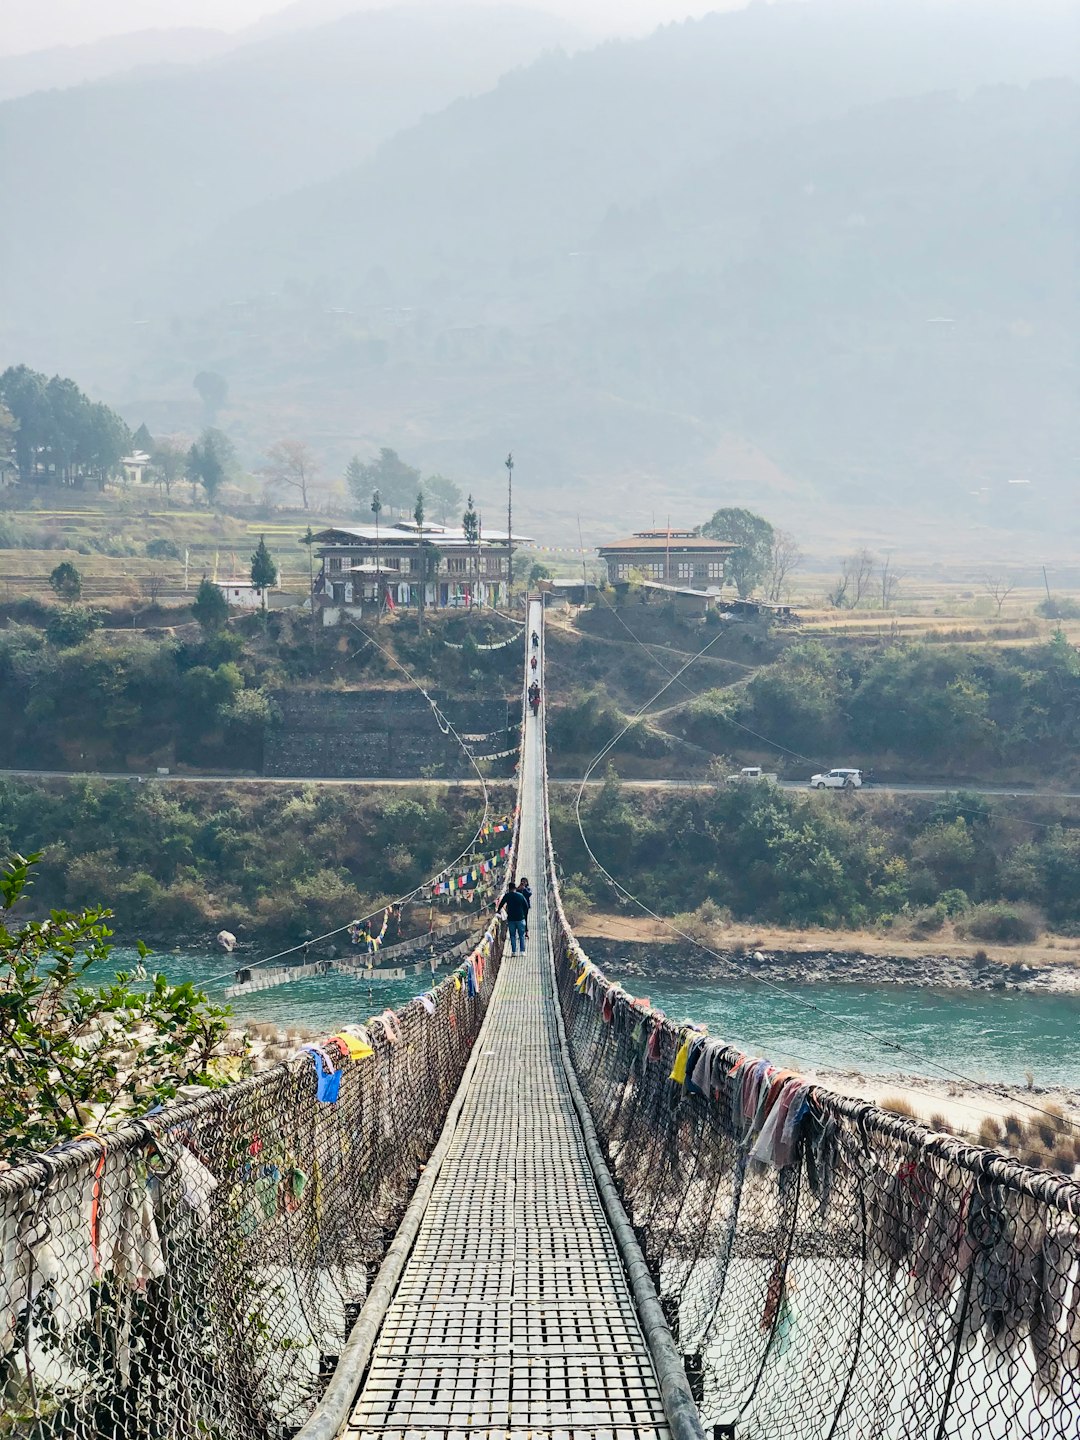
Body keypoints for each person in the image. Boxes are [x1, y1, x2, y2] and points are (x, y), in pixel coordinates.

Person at [498, 880, 530, 954]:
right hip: (520, 918)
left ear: (509, 889)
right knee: (521, 935)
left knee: (512, 936)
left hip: (511, 919)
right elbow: (526, 906)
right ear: (515, 888)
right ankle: (522, 951)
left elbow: (501, 904)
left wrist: (498, 911)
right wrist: (523, 914)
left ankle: (514, 952)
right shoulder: (520, 895)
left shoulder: (507, 896)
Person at [516, 876, 532, 941]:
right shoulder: (518, 889)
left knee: (524, 919)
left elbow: (529, 894)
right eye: (523, 881)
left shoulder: (528, 888)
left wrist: (524, 889)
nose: (524, 883)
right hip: (519, 907)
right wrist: (519, 889)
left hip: (525, 907)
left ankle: (526, 932)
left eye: (525, 881)